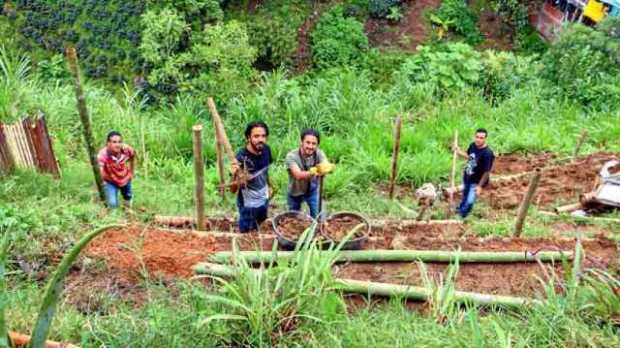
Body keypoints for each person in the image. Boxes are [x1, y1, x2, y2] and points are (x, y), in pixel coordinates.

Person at [231, 121, 272, 232]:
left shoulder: (266, 150)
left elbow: (265, 171)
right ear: (248, 137)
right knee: (246, 229)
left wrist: (270, 185)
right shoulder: (241, 158)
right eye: (256, 136)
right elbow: (233, 190)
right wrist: (235, 174)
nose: (260, 139)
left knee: (261, 221)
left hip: (263, 197)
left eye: (263, 136)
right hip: (248, 204)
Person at [285, 129, 328, 218]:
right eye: (307, 142)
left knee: (319, 216)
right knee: (292, 219)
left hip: (312, 190)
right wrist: (316, 170)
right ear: (301, 142)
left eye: (313, 144)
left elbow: (325, 165)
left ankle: (316, 229)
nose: (310, 146)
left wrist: (326, 168)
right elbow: (298, 175)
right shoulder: (291, 156)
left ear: (317, 145)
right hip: (295, 191)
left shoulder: (319, 153)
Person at [452, 128, 495, 219]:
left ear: (485, 139)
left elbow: (487, 171)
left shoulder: (488, 154)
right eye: (477, 137)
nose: (478, 139)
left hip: (476, 181)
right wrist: (458, 151)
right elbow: (470, 157)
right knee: (465, 195)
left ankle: (462, 216)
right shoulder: (472, 146)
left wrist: (479, 186)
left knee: (470, 201)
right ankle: (460, 210)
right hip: (467, 175)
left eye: (481, 138)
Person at [97, 131, 135, 209]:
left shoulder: (126, 149)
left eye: (119, 142)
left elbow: (133, 157)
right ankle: (115, 217)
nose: (117, 145)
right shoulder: (103, 155)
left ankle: (127, 211)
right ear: (108, 143)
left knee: (128, 196)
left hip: (124, 177)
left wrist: (132, 172)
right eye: (114, 142)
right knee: (112, 204)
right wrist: (102, 183)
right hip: (110, 180)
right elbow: (99, 170)